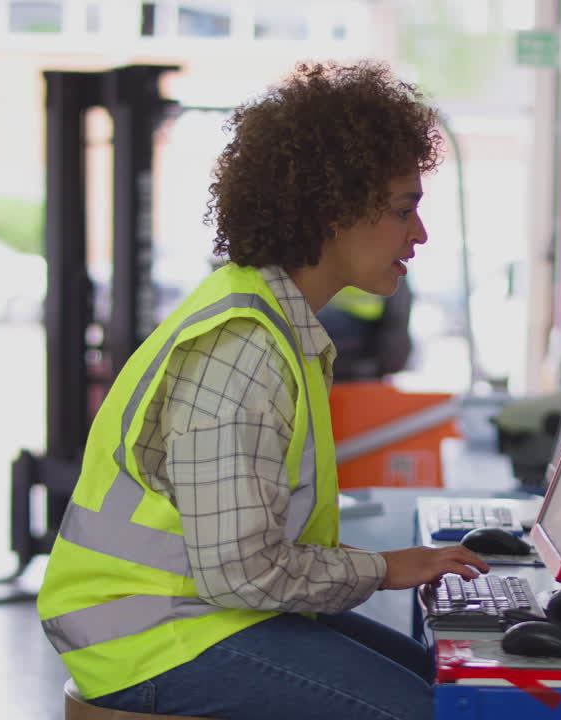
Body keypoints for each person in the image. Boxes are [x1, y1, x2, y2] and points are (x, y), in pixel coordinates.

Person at [36, 60, 489, 720]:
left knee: (454, 694)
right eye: (403, 210)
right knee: (429, 714)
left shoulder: (272, 318)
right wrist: (389, 567)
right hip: (153, 638)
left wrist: (390, 564)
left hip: (199, 615)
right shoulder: (244, 346)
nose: (418, 235)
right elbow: (243, 572)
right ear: (333, 209)